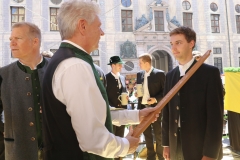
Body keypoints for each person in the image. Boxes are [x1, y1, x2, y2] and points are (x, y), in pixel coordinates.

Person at [41, 1, 158, 160]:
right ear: (82, 26)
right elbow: (93, 139)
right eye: (98, 26)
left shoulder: (68, 60)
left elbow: (97, 112)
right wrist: (126, 145)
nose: (102, 32)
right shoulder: (75, 66)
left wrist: (137, 115)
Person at [162, 26, 223, 160]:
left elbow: (215, 118)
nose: (173, 48)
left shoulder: (209, 73)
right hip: (175, 145)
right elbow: (167, 112)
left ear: (191, 43)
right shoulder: (170, 76)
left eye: (178, 43)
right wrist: (166, 144)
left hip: (200, 146)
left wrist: (210, 153)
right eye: (172, 44)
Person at [0, 22, 49, 160]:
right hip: (18, 153)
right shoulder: (3, 75)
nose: (12, 44)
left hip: (56, 151)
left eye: (18, 38)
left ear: (35, 41)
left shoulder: (57, 70)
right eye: (11, 39)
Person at [136, 53, 165, 160]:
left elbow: (165, 92)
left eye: (140, 63)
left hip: (155, 109)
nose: (139, 65)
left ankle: (160, 157)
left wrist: (155, 99)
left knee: (158, 134)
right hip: (142, 108)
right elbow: (140, 89)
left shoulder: (160, 74)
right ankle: (150, 157)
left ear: (147, 63)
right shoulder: (139, 74)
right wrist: (137, 94)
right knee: (147, 134)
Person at [106, 56, 128, 160]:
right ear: (113, 65)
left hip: (122, 112)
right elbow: (104, 96)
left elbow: (124, 92)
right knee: (112, 137)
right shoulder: (106, 78)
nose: (121, 66)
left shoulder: (122, 78)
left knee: (121, 136)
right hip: (112, 113)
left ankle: (119, 158)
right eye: (119, 64)